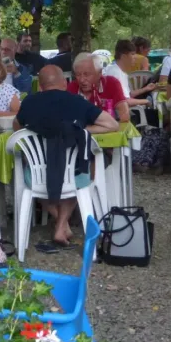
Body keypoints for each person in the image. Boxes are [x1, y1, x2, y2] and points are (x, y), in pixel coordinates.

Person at [15, 65, 118, 244]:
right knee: (79, 176)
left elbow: (17, 127)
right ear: (64, 83)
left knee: (33, 177)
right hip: (74, 174)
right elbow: (112, 125)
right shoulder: (76, 101)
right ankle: (62, 225)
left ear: (40, 86)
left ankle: (61, 224)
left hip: (39, 175)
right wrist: (79, 130)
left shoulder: (29, 102)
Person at [69, 52, 129, 122]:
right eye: (78, 74)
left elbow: (124, 115)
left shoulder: (111, 83)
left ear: (99, 73)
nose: (81, 80)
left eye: (86, 74)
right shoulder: (72, 88)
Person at [103, 40, 156, 107]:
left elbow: (128, 94)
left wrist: (146, 88)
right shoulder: (116, 73)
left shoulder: (118, 71)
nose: (135, 57)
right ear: (124, 57)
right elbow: (125, 101)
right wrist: (146, 101)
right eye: (132, 54)